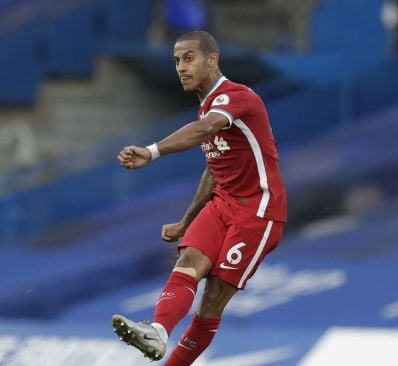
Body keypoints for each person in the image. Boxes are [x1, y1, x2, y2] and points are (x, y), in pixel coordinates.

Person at [112, 31, 287, 365]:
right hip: (222, 203)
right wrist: (185, 222)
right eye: (177, 60)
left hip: (258, 212)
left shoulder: (236, 97)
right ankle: (158, 331)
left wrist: (152, 151)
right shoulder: (207, 106)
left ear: (212, 59)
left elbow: (206, 130)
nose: (181, 66)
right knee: (187, 262)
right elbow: (213, 169)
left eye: (189, 57)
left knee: (213, 299)